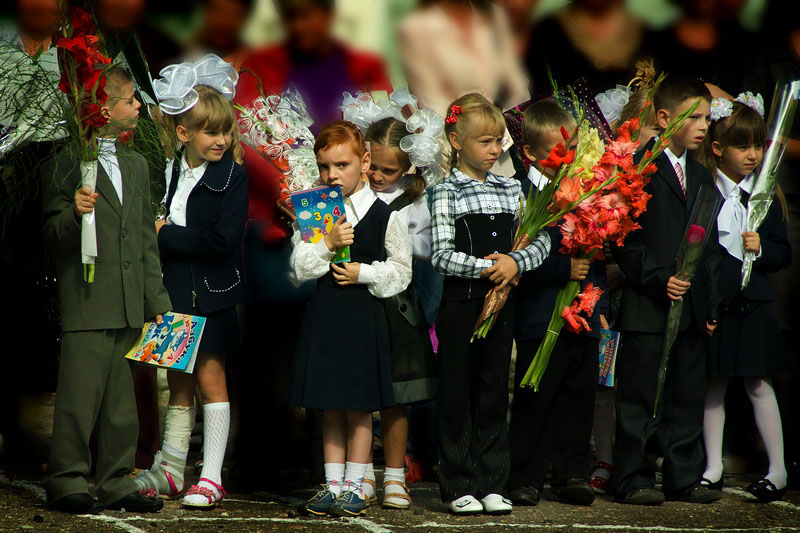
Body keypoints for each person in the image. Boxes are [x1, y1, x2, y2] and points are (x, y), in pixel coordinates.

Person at [41, 65, 170, 515]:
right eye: (130, 98)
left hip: (129, 300)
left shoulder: (135, 165)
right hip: (89, 299)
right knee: (79, 397)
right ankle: (67, 479)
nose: (138, 106)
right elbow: (51, 234)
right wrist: (75, 214)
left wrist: (158, 304)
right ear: (103, 107)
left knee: (122, 404)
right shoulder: (65, 160)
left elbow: (144, 240)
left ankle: (117, 479)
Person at [134, 55, 248, 509]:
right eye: (210, 132)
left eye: (225, 131)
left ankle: (213, 475)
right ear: (184, 134)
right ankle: (171, 468)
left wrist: (165, 235)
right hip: (174, 289)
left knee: (209, 379)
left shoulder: (232, 177)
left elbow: (221, 243)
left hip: (211, 294)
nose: (221, 140)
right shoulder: (171, 168)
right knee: (177, 380)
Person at [431, 93, 550, 515]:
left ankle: (492, 482)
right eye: (485, 141)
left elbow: (542, 240)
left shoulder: (511, 187)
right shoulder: (445, 190)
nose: (495, 150)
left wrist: (514, 261)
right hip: (463, 304)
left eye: (499, 141)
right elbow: (441, 255)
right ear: (456, 140)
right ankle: (458, 482)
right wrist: (487, 268)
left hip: (502, 308)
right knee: (457, 392)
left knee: (493, 389)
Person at [289, 121, 412, 517]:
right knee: (329, 404)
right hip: (326, 315)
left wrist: (365, 273)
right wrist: (326, 243)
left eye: (341, 165)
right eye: (324, 167)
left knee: (359, 406)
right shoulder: (314, 213)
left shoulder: (385, 213)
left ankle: (357, 485)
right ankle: (333, 484)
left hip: (363, 315)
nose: (332, 175)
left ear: (364, 160)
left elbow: (401, 271)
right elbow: (298, 270)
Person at [610, 75, 722, 505]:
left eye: (707, 119)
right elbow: (620, 239)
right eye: (693, 117)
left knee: (685, 393)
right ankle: (633, 477)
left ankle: (683, 475)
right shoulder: (637, 168)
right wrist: (659, 278)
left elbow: (709, 246)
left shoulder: (701, 176)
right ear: (663, 117)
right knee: (639, 394)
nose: (702, 126)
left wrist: (709, 302)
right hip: (648, 304)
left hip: (690, 306)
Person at [508, 98, 607, 508]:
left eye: (571, 149)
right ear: (529, 152)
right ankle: (525, 476)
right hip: (539, 312)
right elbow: (518, 254)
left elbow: (595, 250)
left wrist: (594, 304)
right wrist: (561, 270)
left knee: (577, 394)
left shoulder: (585, 188)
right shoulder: (522, 193)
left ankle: (572, 472)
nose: (565, 159)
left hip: (581, 312)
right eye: (555, 151)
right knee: (536, 395)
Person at [695, 98, 792, 502]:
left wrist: (760, 249)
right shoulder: (703, 189)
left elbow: (782, 252)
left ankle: (778, 469)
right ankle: (712, 467)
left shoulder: (765, 196)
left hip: (752, 303)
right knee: (713, 384)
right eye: (742, 146)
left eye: (758, 146)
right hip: (716, 305)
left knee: (757, 383)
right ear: (718, 148)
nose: (752, 155)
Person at [361, 113, 439, 509]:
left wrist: (425, 314)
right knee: (357, 394)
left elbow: (427, 262)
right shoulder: (352, 195)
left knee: (397, 398)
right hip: (358, 306)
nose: (376, 175)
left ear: (408, 168)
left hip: (400, 310)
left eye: (387, 170)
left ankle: (394, 475)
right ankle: (359, 476)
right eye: (371, 165)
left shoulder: (416, 204)